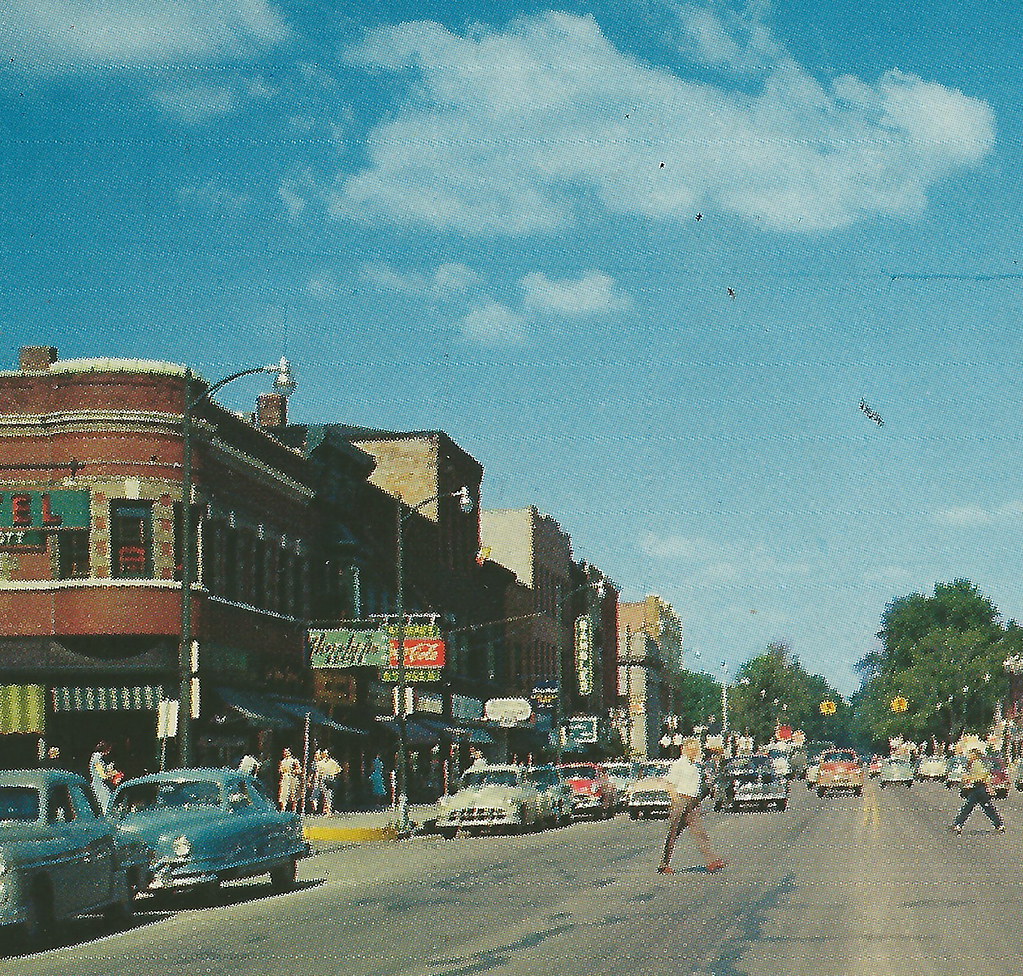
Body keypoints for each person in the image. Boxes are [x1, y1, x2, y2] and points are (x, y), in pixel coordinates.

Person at [658, 738, 726, 874]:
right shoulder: (679, 765)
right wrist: (676, 801)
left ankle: (711, 861)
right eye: (692, 748)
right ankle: (664, 865)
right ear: (684, 749)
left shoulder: (696, 766)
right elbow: (669, 784)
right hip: (681, 800)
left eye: (696, 748)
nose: (694, 751)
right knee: (673, 834)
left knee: (700, 832)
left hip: (693, 803)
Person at [950, 747, 1005, 834]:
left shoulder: (977, 764)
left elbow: (982, 775)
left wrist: (969, 778)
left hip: (978, 788)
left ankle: (958, 824)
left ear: (975, 756)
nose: (969, 756)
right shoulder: (975, 763)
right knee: (987, 807)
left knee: (968, 807)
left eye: (970, 755)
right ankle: (999, 825)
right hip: (980, 788)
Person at [89, 741, 116, 813]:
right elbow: (102, 775)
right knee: (105, 805)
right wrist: (114, 773)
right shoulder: (96, 758)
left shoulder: (98, 758)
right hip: (99, 787)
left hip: (100, 785)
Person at [316, 749, 342, 815]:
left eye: (326, 753)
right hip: (323, 780)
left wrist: (335, 776)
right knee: (325, 795)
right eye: (324, 754)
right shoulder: (320, 763)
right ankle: (326, 810)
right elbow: (318, 773)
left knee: (330, 795)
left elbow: (339, 770)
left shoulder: (333, 762)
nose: (326, 755)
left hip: (331, 779)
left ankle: (329, 809)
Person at [278, 748, 301, 812]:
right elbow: (280, 770)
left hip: (292, 778)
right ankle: (283, 809)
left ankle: (294, 809)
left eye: (287, 752)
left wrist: (294, 772)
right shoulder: (283, 761)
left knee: (293, 794)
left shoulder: (294, 760)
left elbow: (299, 770)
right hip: (285, 779)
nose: (285, 753)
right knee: (284, 794)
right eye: (285, 752)